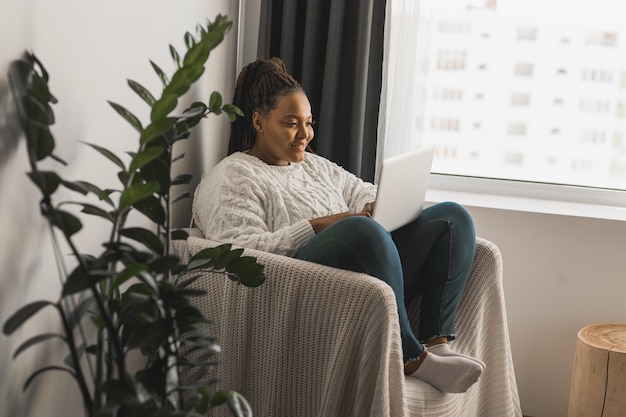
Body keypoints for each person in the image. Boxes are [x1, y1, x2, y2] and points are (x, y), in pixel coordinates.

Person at [193, 57, 484, 393]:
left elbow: (360, 190)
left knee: (452, 218)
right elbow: (237, 254)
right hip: (296, 286)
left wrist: (376, 203)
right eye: (291, 123)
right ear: (259, 121)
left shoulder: (314, 165)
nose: (304, 135)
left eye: (308, 123)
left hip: (358, 275)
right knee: (360, 230)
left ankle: (437, 342)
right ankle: (410, 357)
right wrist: (318, 225)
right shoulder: (231, 177)